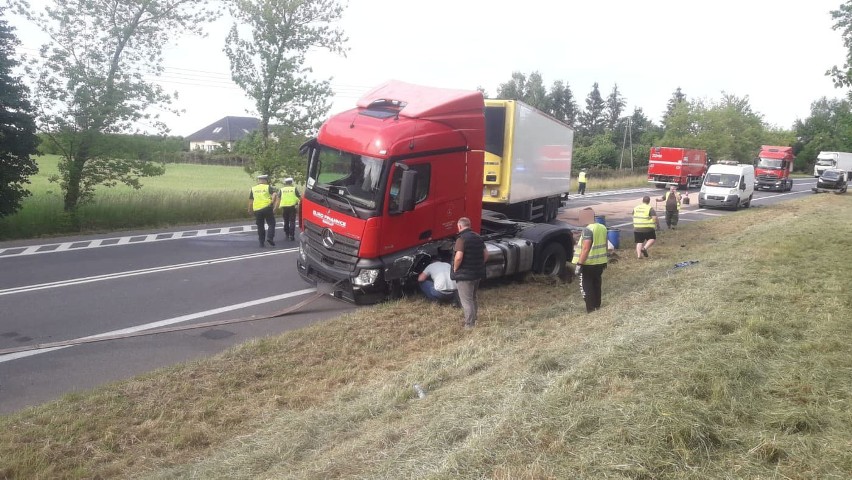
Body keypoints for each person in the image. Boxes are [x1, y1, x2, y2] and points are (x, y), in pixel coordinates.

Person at [452, 217, 489, 329]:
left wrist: (455, 268)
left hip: (465, 275)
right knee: (473, 298)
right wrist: (480, 264)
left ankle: (469, 325)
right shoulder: (478, 237)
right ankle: (474, 318)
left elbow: (458, 257)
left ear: (459, 226)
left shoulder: (461, 239)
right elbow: (486, 254)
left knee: (466, 301)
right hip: (477, 273)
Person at [573, 221, 610, 313]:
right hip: (600, 261)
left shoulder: (588, 230)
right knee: (597, 283)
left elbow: (586, 248)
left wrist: (579, 264)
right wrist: (605, 258)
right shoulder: (602, 228)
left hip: (588, 263)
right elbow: (605, 244)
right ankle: (597, 305)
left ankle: (590, 308)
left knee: (586, 285)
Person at [249, 174, 276, 248]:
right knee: (271, 224)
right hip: (267, 208)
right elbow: (274, 194)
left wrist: (249, 210)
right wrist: (272, 201)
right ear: (265, 180)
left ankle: (261, 242)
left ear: (259, 181)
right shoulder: (268, 187)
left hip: (257, 210)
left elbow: (251, 200)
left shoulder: (253, 188)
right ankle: (270, 238)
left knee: (260, 226)